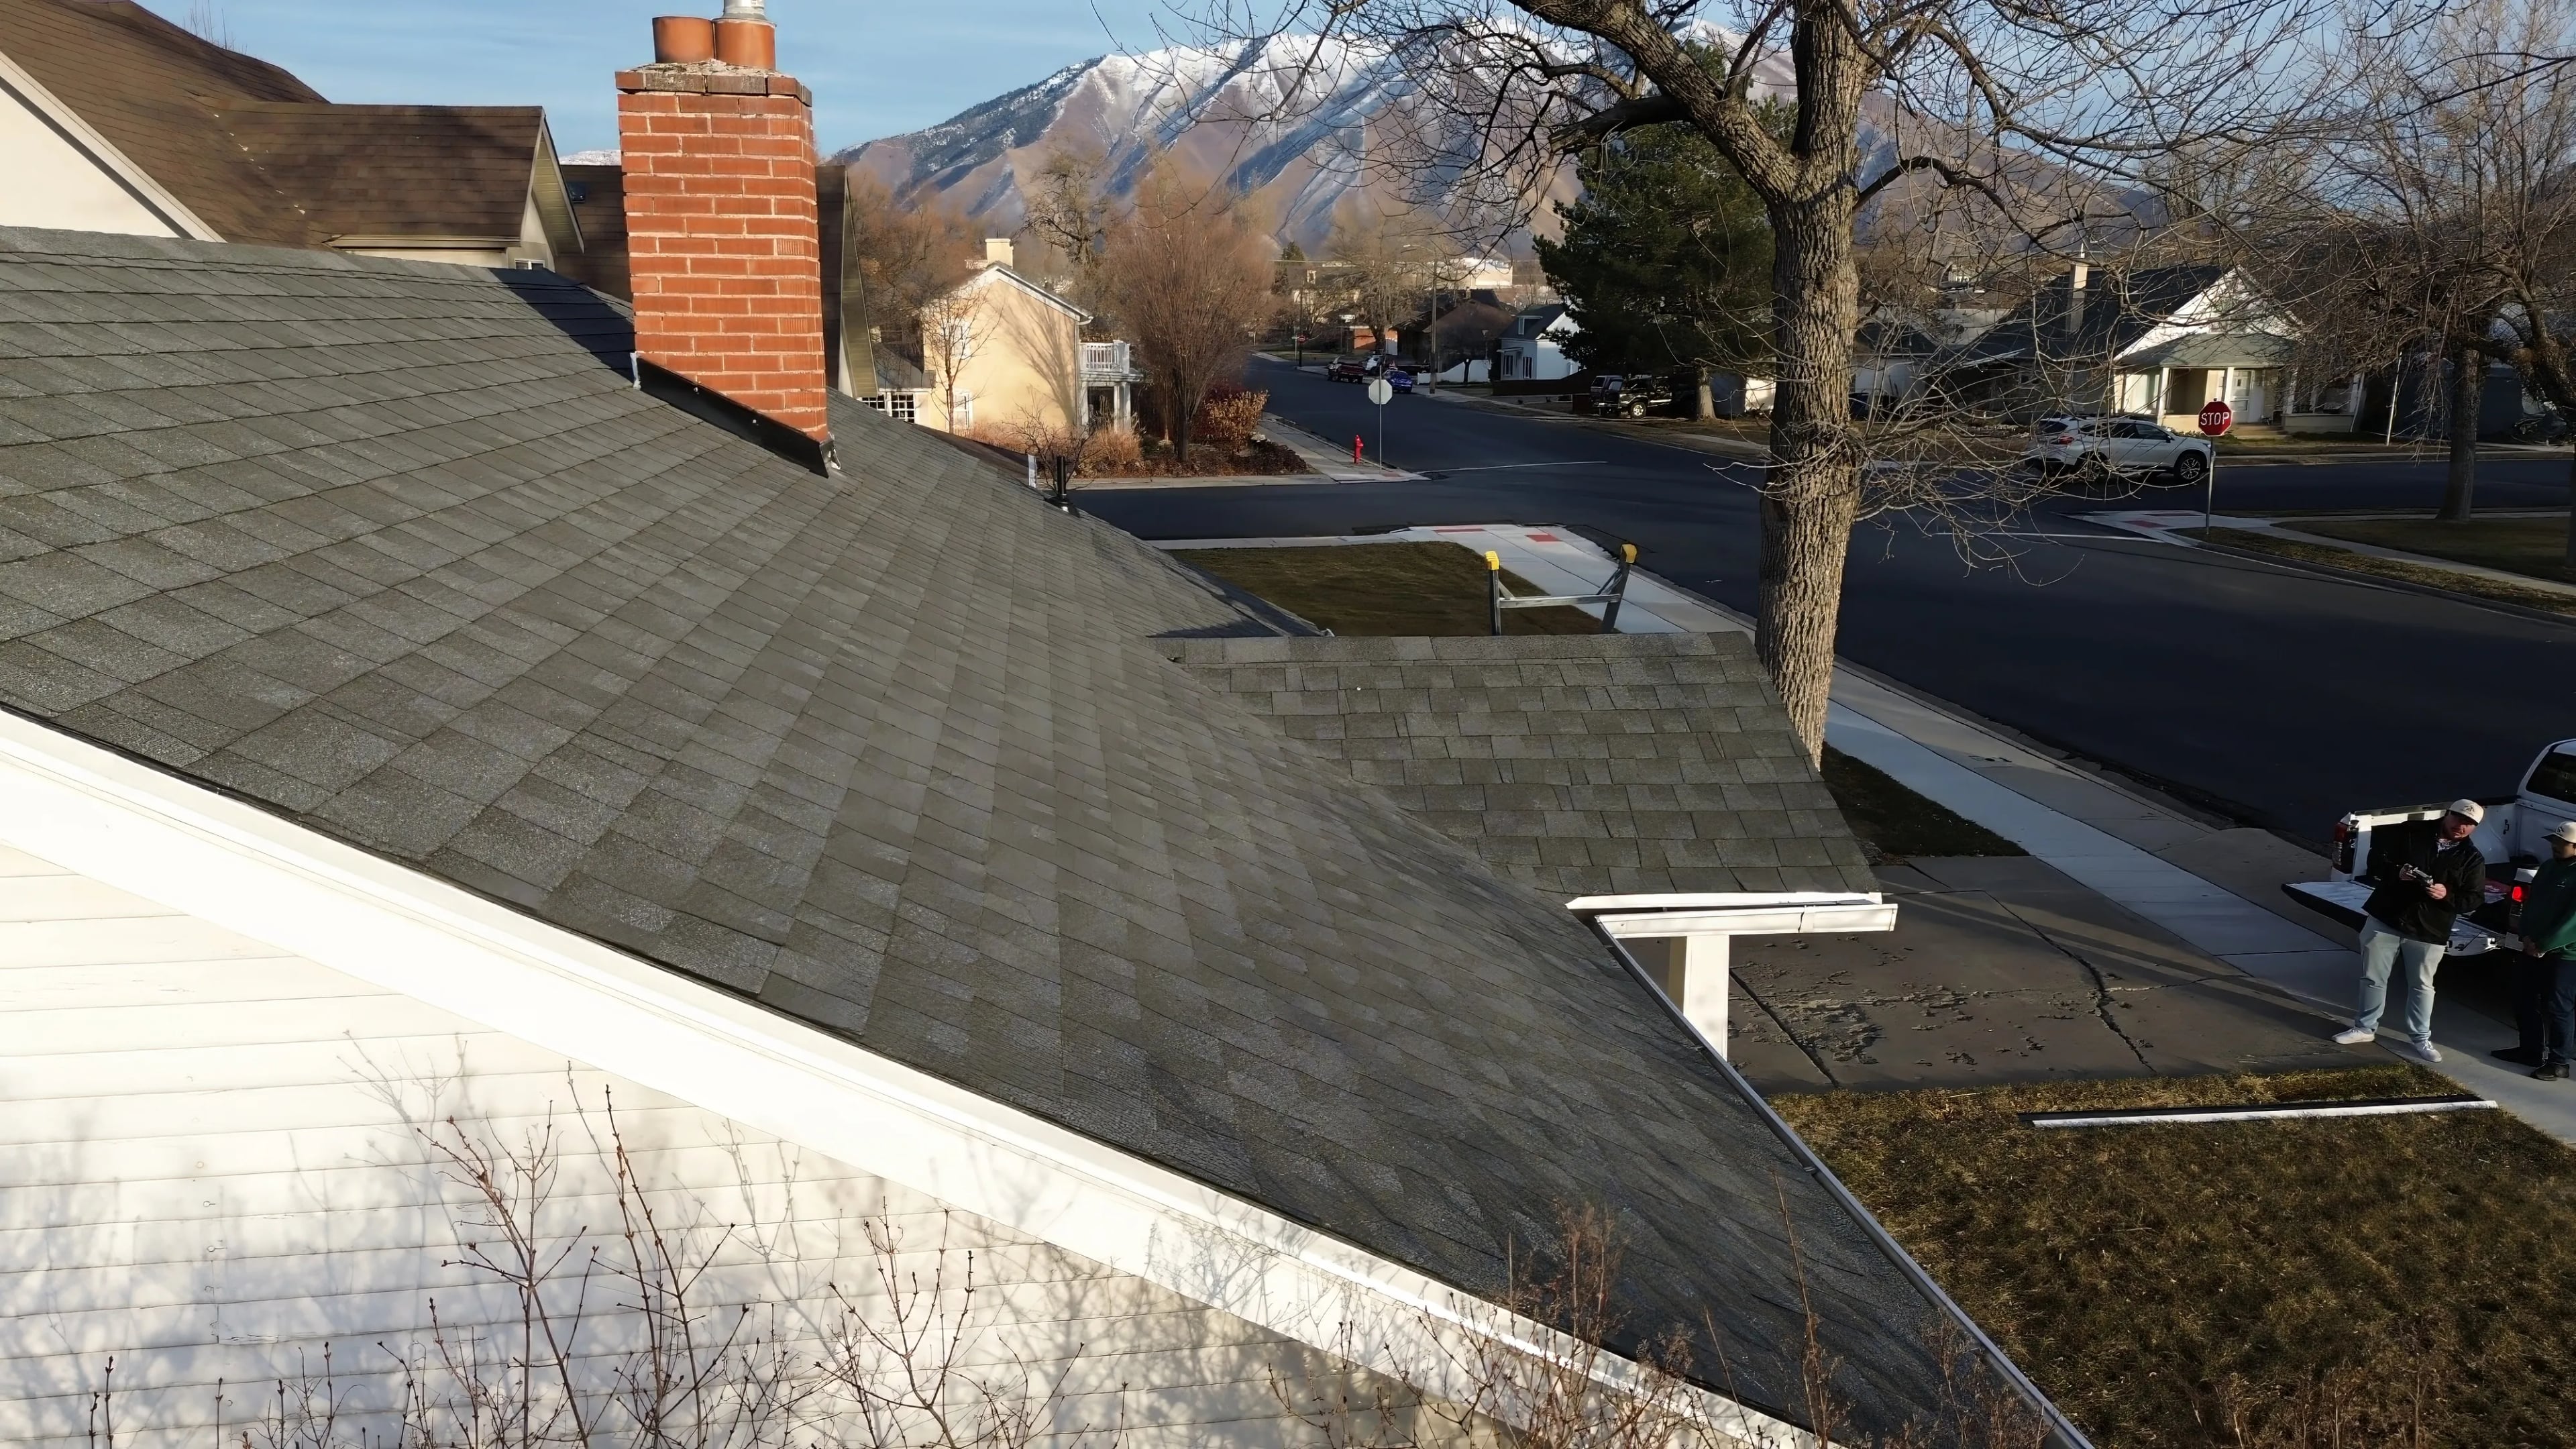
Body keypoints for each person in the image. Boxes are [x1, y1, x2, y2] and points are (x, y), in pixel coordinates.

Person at [2330, 800, 2489, 1063]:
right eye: (2458, 819)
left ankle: (2421, 1038)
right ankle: (2364, 1028)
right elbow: (2376, 859)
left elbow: (2474, 899)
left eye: (2470, 824)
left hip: (2430, 928)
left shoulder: (2472, 858)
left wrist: (2446, 894)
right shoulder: (2412, 832)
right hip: (2387, 916)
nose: (2462, 827)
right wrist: (2397, 872)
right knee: (2373, 978)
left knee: (2422, 986)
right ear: (2448, 814)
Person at [2518, 820, 2576, 1081]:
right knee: (2524, 996)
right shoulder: (2548, 867)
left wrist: (2544, 944)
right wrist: (2526, 936)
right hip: (2534, 946)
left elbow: (2572, 922)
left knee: (2558, 1006)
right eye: (2554, 841)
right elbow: (2532, 904)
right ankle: (2529, 1050)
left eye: (2562, 843)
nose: (2555, 846)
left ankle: (2559, 1062)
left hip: (2566, 955)